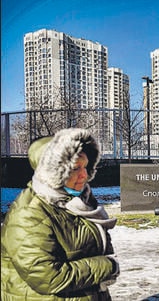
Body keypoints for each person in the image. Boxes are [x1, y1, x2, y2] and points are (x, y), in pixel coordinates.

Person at [1, 128, 119, 301]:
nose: (84, 175)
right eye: (75, 168)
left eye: (86, 166)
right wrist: (107, 266)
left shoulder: (75, 201)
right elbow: (47, 277)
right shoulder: (29, 213)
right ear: (53, 173)